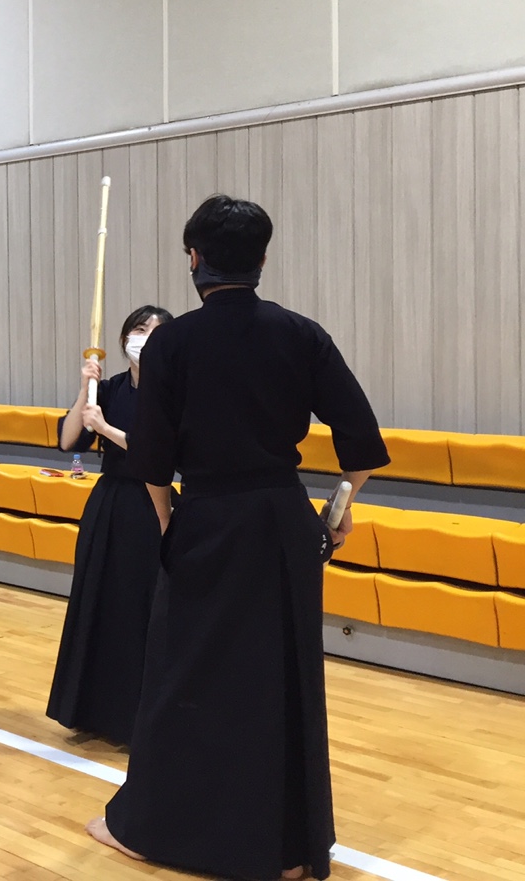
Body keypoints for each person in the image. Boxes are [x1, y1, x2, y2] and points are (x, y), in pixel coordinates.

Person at [88, 195, 390, 881]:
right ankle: (289, 849)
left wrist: (168, 524)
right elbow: (362, 442)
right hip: (283, 520)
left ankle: (152, 828)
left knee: (183, 675)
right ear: (262, 259)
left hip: (206, 517)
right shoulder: (301, 334)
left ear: (194, 258)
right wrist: (338, 509)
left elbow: (152, 461)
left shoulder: (171, 344)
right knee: (282, 677)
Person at [47, 304, 173, 746]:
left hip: (151, 503)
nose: (145, 337)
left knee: (141, 606)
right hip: (110, 502)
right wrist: (85, 389)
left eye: (156, 331)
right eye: (139, 329)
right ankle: (91, 709)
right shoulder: (110, 388)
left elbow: (164, 455)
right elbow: (68, 440)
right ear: (123, 338)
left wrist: (108, 429)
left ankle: (139, 718)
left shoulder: (173, 391)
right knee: (98, 602)